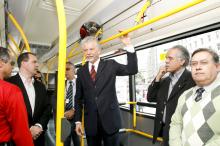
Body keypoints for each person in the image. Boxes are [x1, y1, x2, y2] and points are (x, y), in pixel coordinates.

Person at [74, 34, 138, 146]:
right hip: (91, 123)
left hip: (110, 120)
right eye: (85, 50)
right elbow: (78, 98)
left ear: (99, 51)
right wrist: (78, 121)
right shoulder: (81, 72)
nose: (88, 52)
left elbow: (132, 69)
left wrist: (128, 45)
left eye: (91, 49)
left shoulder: (110, 65)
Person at [169, 48, 220, 146]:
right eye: (194, 64)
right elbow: (176, 124)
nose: (198, 67)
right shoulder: (185, 95)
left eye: (204, 63)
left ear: (217, 66)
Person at [147, 45, 195, 146]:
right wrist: (158, 77)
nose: (166, 61)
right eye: (166, 58)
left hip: (183, 134)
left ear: (182, 61)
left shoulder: (193, 79)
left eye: (170, 58)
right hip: (165, 132)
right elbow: (150, 97)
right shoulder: (165, 80)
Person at [7, 52, 51, 146]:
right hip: (16, 139)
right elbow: (7, 113)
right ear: (23, 63)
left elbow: (47, 108)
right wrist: (28, 129)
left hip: (38, 138)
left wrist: (38, 126)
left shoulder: (41, 87)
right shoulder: (9, 84)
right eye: (34, 62)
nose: (37, 65)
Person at [0, 47, 34, 146]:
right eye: (11, 63)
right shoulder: (11, 90)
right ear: (1, 63)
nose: (12, 67)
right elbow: (21, 132)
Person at [64, 62, 80, 146]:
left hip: (77, 117)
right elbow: (54, 100)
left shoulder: (80, 84)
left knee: (77, 141)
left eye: (68, 69)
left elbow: (84, 100)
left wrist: (74, 110)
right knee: (65, 141)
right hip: (64, 117)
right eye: (64, 70)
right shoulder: (61, 84)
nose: (65, 72)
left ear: (74, 70)